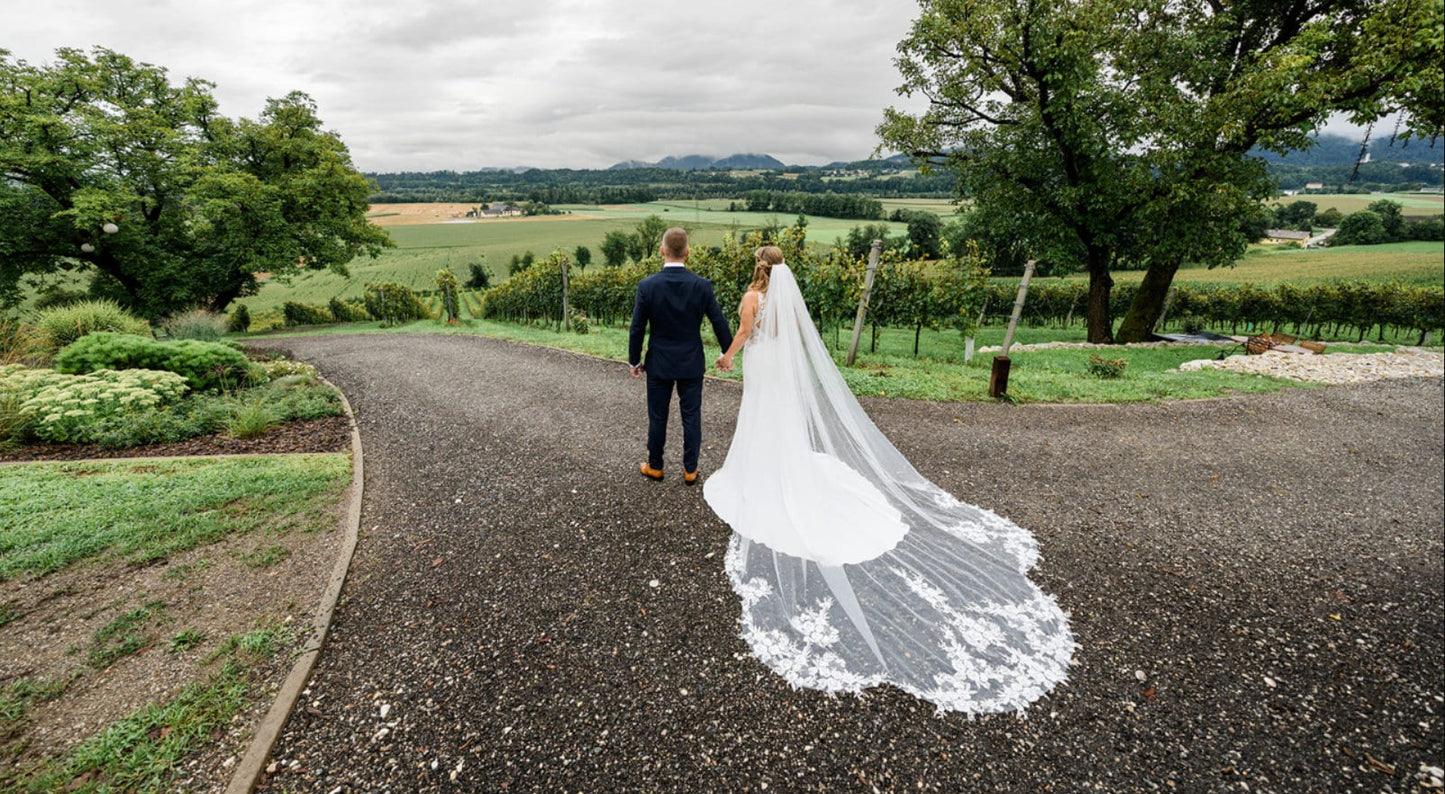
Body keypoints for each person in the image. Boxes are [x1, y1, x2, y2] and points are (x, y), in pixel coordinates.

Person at [703, 246, 1075, 715]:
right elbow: (795, 336)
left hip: (761, 363)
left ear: (756, 265)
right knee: (780, 419)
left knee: (760, 417)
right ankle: (784, 466)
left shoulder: (752, 297)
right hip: (782, 366)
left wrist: (727, 357)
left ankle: (762, 474)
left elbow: (743, 331)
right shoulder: (788, 298)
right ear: (781, 267)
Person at [628, 227, 733, 485]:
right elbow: (719, 322)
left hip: (659, 363)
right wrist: (726, 352)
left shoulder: (647, 286)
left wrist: (635, 360)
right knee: (692, 416)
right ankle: (690, 469)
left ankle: (655, 466)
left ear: (662, 250)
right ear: (688, 252)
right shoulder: (702, 285)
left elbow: (637, 327)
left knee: (657, 416)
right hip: (691, 362)